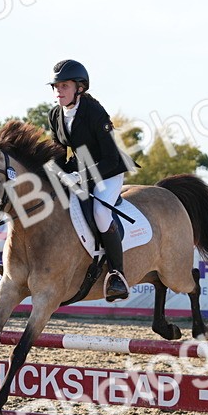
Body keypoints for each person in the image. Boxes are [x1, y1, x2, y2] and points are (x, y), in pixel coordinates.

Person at [46, 59, 136, 302]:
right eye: (56, 86)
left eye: (64, 86)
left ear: (80, 88)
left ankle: (117, 275)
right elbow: (59, 152)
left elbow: (109, 159)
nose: (58, 91)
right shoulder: (55, 114)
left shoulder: (95, 113)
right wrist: (52, 171)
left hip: (108, 172)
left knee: (100, 212)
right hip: (80, 168)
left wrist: (79, 176)